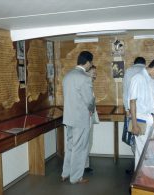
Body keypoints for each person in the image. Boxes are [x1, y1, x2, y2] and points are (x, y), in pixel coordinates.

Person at [61, 51, 95, 184]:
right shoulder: (85, 77)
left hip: (69, 117)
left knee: (70, 146)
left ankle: (65, 173)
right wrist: (91, 110)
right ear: (87, 62)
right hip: (80, 119)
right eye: (91, 63)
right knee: (80, 148)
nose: (90, 65)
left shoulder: (67, 76)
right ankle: (76, 177)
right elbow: (89, 100)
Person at [127, 58, 154, 169]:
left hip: (150, 118)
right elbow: (132, 101)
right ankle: (139, 180)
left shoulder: (153, 80)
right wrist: (135, 125)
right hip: (140, 118)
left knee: (151, 150)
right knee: (141, 152)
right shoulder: (138, 78)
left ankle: (147, 176)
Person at [122, 57, 146, 175]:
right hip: (145, 114)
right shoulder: (146, 71)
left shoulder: (129, 71)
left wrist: (127, 109)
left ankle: (137, 167)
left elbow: (126, 91)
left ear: (134, 63)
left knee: (133, 138)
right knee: (142, 140)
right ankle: (142, 168)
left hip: (132, 111)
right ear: (144, 63)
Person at [84, 65, 99, 173]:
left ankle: (85, 164)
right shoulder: (85, 85)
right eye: (93, 72)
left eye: (95, 73)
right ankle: (82, 166)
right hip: (84, 118)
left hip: (89, 116)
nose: (95, 75)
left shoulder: (89, 84)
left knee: (89, 142)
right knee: (85, 142)